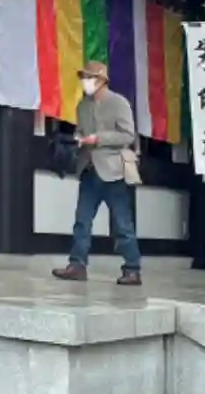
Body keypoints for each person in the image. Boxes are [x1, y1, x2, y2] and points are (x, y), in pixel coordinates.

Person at [52, 59, 142, 286]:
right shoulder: (82, 106)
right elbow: (81, 131)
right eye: (84, 78)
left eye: (89, 77)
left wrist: (98, 138)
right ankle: (77, 265)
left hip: (114, 171)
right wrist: (78, 139)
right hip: (89, 169)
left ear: (102, 80)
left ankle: (132, 268)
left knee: (122, 223)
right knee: (82, 221)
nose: (85, 81)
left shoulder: (118, 103)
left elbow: (128, 135)